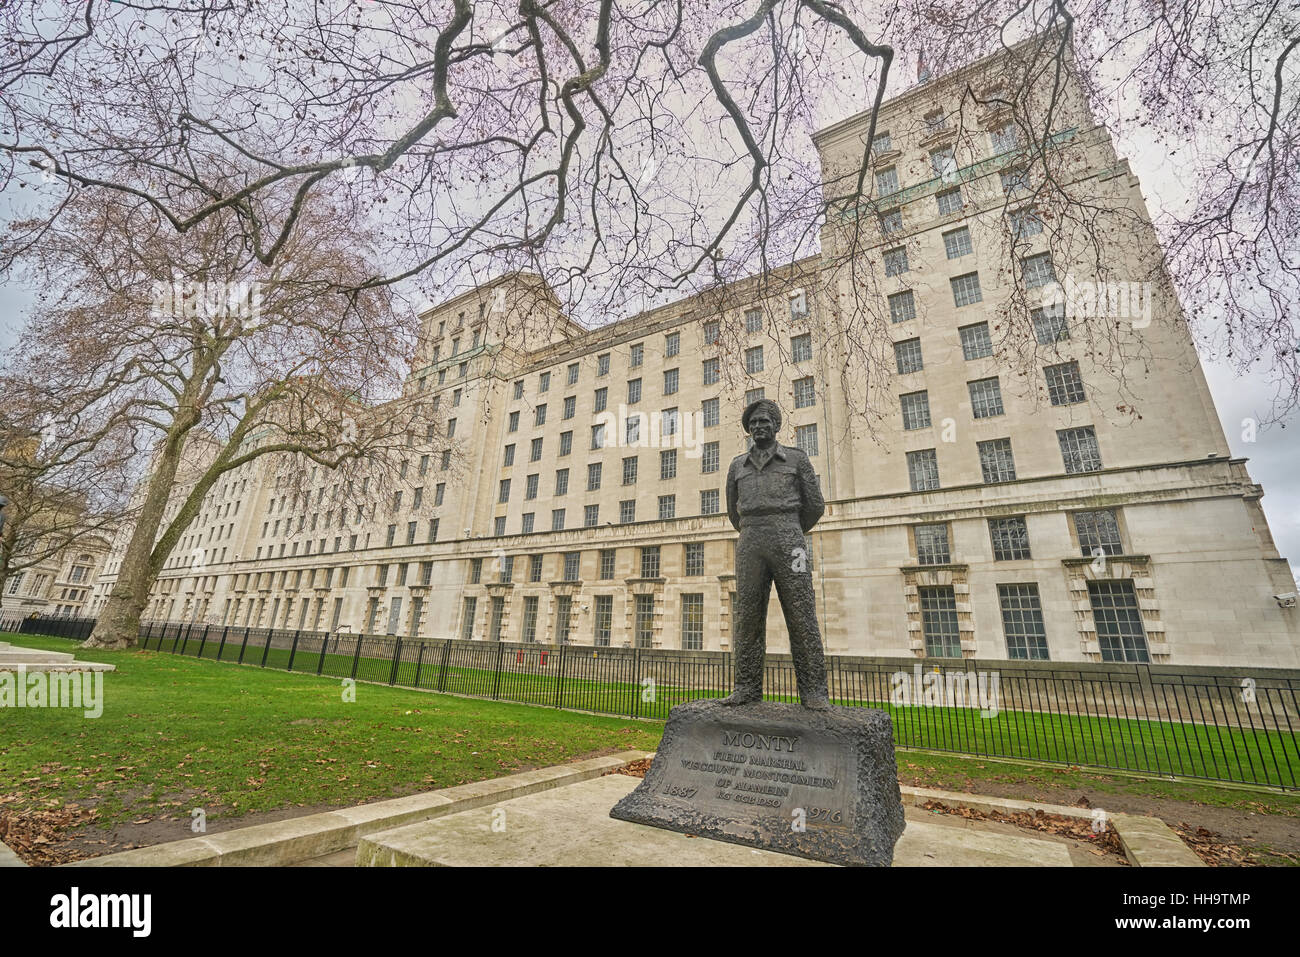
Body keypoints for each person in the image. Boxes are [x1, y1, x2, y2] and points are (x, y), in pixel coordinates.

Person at [720, 399, 831, 709]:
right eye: (753, 422)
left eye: (764, 421)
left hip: (790, 538)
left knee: (801, 612)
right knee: (747, 616)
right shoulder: (736, 465)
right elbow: (733, 511)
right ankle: (746, 688)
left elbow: (815, 505)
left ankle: (813, 691)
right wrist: (754, 529)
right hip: (751, 539)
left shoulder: (796, 460)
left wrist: (791, 528)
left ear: (776, 425)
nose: (758, 426)